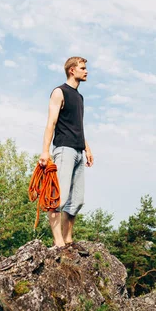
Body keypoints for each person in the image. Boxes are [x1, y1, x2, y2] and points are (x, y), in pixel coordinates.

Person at [39, 56, 94, 249]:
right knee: (58, 199)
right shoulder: (59, 92)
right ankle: (58, 242)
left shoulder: (79, 97)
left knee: (77, 200)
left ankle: (68, 239)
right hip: (64, 149)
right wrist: (45, 151)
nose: (86, 71)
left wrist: (87, 148)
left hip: (78, 151)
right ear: (72, 70)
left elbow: (77, 125)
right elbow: (51, 123)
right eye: (83, 68)